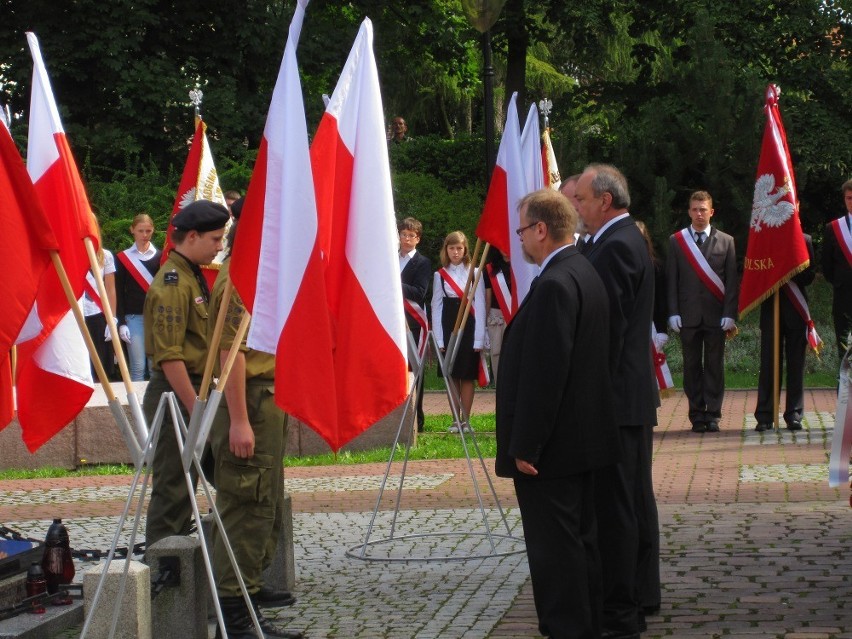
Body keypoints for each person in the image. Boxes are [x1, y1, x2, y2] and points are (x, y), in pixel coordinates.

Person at [495, 188, 620, 639]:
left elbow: (547, 373)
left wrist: (527, 443)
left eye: (523, 229)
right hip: (582, 439)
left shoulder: (553, 285)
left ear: (542, 230)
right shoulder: (582, 270)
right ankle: (584, 625)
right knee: (581, 542)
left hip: (553, 448)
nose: (521, 239)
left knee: (556, 551)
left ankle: (568, 628)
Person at [575, 163, 659, 638]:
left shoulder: (617, 245)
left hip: (618, 399)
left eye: (583, 200)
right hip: (625, 397)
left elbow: (605, 330)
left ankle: (622, 608)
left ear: (605, 200)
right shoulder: (618, 241)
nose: (579, 210)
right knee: (624, 503)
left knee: (618, 508)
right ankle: (626, 600)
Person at [208, 219, 302, 639]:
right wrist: (241, 421)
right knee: (247, 505)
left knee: (263, 505)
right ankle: (236, 616)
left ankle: (249, 595)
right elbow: (231, 351)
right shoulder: (239, 274)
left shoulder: (254, 269)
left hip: (266, 398)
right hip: (249, 401)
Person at [143, 200, 228, 547]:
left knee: (195, 480)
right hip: (176, 396)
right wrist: (195, 409)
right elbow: (170, 356)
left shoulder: (191, 274)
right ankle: (165, 573)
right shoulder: (173, 283)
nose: (220, 246)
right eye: (215, 238)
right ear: (192, 236)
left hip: (192, 392)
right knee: (174, 488)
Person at [667, 190, 739, 433]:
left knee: (715, 366)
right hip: (688, 315)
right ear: (689, 211)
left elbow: (731, 282)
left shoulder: (726, 241)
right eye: (695, 209)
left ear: (711, 211)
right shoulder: (677, 241)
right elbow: (672, 281)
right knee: (691, 367)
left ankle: (713, 415)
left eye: (703, 209)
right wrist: (673, 312)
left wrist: (730, 313)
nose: (699, 214)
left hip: (717, 316)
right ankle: (696, 414)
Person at [755, 234, 816, 432]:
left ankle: (794, 414)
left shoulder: (804, 240)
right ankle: (765, 414)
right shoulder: (764, 238)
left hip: (796, 311)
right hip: (771, 310)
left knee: (796, 365)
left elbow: (809, 276)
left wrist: (789, 266)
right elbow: (754, 273)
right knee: (768, 364)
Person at [430, 231, 486, 433]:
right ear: (446, 249)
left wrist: (479, 337)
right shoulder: (439, 275)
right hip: (448, 325)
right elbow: (436, 306)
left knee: (467, 375)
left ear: (465, 250)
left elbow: (479, 305)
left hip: (469, 325)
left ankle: (466, 420)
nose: (455, 252)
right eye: (452, 248)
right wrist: (439, 338)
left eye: (459, 248)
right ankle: (455, 419)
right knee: (452, 374)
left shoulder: (475, 272)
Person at [115, 213, 161, 381]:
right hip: (133, 318)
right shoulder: (123, 258)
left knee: (154, 367)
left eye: (148, 231)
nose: (144, 235)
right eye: (140, 230)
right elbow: (118, 292)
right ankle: (137, 407)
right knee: (137, 367)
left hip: (156, 317)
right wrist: (120, 323)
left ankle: (155, 405)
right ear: (132, 230)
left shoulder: (161, 257)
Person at [398, 217, 431, 432]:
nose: (407, 238)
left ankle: (416, 417)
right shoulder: (390, 258)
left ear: (418, 239)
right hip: (394, 321)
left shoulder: (422, 263)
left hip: (414, 322)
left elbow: (420, 293)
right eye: (404, 234)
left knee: (414, 370)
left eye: (412, 235)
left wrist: (394, 282)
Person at [822, 179, 852, 361]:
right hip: (843, 299)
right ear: (844, 199)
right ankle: (844, 389)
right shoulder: (833, 229)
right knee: (845, 349)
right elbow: (827, 267)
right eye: (849, 198)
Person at [83, 245, 117, 380]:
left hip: (98, 312)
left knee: (101, 360)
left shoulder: (105, 255)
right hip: (76, 313)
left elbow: (110, 289)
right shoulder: (71, 252)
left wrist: (112, 319)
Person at [483, 251, 511, 384]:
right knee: (497, 355)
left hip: (516, 316)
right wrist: (483, 326)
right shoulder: (490, 268)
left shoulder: (522, 265)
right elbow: (488, 298)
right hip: (496, 318)